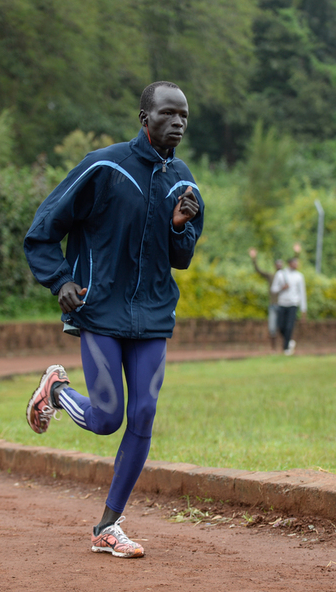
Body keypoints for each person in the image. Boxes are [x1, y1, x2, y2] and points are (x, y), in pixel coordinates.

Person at [23, 81, 203, 559]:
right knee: (107, 418)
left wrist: (179, 228)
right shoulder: (103, 166)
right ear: (144, 117)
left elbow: (180, 257)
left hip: (153, 314)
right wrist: (59, 279)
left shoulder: (184, 183)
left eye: (184, 115)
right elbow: (43, 232)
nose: (178, 123)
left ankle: (109, 524)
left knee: (144, 414)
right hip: (99, 309)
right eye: (168, 113)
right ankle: (57, 390)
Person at [270, 256, 306, 355]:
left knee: (289, 326)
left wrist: (303, 309)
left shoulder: (299, 276)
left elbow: (302, 293)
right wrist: (282, 287)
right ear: (290, 263)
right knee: (281, 326)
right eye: (294, 263)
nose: (296, 265)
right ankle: (289, 341)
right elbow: (273, 289)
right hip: (282, 303)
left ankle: (286, 349)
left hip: (293, 304)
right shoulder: (281, 274)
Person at [249, 248, 283, 349]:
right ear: (275, 266)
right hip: (273, 304)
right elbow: (258, 270)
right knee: (272, 328)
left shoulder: (286, 277)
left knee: (283, 327)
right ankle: (274, 349)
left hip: (283, 305)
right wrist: (254, 259)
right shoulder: (271, 276)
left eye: (281, 264)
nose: (279, 266)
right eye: (278, 264)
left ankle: (284, 347)